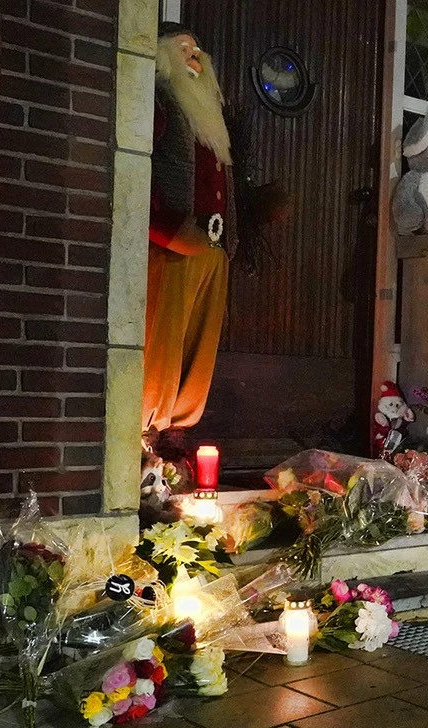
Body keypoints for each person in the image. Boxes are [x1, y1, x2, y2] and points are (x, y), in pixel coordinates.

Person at [142, 22, 235, 448]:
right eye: (183, 48)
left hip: (211, 248)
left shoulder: (206, 113)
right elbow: (141, 170)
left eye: (197, 49)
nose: (193, 55)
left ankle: (177, 428)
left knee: (199, 344)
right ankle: (146, 430)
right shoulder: (160, 102)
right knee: (162, 341)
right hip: (172, 244)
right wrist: (165, 228)